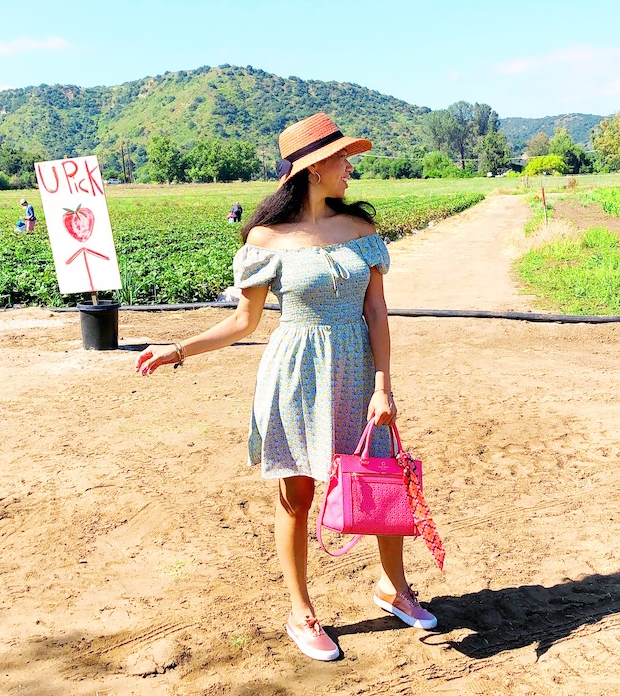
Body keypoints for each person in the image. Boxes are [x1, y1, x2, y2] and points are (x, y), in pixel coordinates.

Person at [135, 112, 436, 662]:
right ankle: (300, 611)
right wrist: (178, 350)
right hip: (295, 374)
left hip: (357, 371)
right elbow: (242, 323)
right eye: (344, 158)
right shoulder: (265, 239)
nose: (351, 167)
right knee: (297, 494)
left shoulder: (362, 231)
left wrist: (384, 386)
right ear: (315, 167)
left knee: (379, 479)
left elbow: (376, 312)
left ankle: (394, 587)